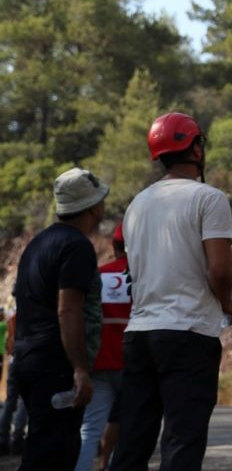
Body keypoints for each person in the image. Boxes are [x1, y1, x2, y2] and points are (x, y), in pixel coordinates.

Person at [109, 112, 232, 471]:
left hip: (139, 336)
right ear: (195, 147)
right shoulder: (209, 199)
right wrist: (229, 302)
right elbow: (220, 269)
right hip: (188, 333)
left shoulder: (137, 204)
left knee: (133, 440)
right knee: (183, 440)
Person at [12, 167, 108, 471]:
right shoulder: (77, 247)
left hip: (28, 358)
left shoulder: (38, 244)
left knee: (42, 448)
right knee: (55, 453)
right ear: (93, 206)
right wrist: (80, 369)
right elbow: (68, 310)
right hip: (54, 364)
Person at [76, 223, 130, 471]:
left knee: (90, 428)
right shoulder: (144, 277)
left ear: (113, 245)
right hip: (133, 364)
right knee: (130, 427)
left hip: (98, 362)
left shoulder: (99, 275)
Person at [0, 303, 27, 456]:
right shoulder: (31, 315)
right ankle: (17, 439)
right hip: (26, 359)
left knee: (10, 402)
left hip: (13, 360)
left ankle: (3, 439)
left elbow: (7, 343)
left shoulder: (11, 319)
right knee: (23, 401)